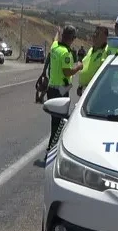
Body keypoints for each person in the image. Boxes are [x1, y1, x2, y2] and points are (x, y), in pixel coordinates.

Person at [45, 25, 83, 156]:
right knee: (60, 123)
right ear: (72, 38)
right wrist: (78, 66)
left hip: (51, 89)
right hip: (60, 91)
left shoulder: (55, 47)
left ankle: (52, 147)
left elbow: (55, 40)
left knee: (55, 121)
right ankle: (52, 149)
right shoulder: (66, 53)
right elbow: (67, 72)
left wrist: (58, 32)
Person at [76, 25, 109, 97]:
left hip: (97, 93)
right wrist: (80, 86)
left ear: (105, 38)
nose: (94, 35)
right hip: (85, 90)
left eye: (98, 34)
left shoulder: (107, 51)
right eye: (94, 33)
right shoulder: (91, 50)